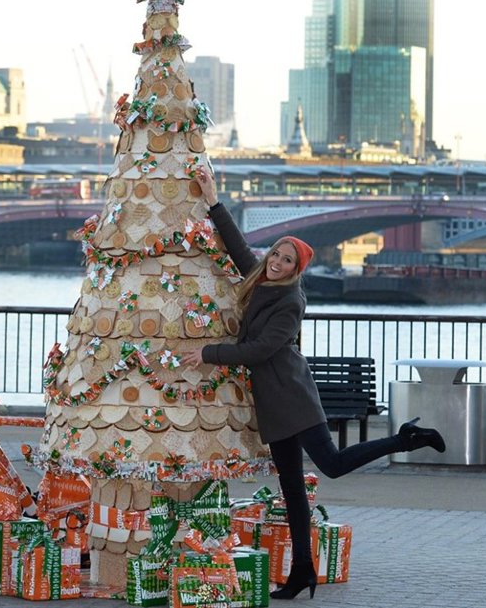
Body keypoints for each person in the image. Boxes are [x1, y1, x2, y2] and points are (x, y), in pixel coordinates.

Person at [181, 171, 446, 601]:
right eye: (276, 254)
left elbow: (263, 349)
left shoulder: (290, 301)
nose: (276, 261)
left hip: (293, 396)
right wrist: (214, 202)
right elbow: (236, 246)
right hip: (274, 402)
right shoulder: (261, 281)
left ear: (296, 270)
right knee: (292, 490)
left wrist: (208, 353)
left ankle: (404, 439)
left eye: (287, 260)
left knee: (333, 464)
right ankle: (303, 570)